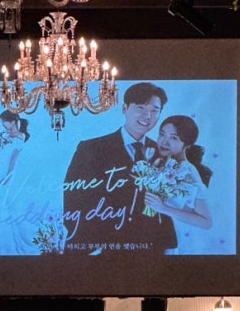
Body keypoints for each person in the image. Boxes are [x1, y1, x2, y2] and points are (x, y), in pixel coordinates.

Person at [62, 82, 177, 253]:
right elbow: (73, 199)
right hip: (101, 248)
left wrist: (168, 246)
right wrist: (95, 245)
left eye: (154, 110)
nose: (147, 116)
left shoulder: (163, 154)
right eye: (140, 107)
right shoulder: (91, 149)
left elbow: (166, 206)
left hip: (150, 249)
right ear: (125, 109)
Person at [142, 115, 213, 252]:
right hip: (152, 237)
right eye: (162, 134)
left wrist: (163, 208)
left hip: (173, 241)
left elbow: (206, 222)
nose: (164, 142)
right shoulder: (161, 162)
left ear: (187, 144)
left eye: (173, 138)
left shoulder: (188, 172)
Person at [0, 111, 36, 255]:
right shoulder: (5, 136)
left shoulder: (20, 136)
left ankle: (0, 242)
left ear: (12, 121)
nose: (3, 125)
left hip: (4, 174)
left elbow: (14, 159)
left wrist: (8, 176)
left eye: (4, 122)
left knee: (0, 205)